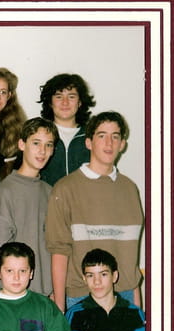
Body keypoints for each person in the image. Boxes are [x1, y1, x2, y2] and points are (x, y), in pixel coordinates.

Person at [45, 111, 144, 313]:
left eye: (115, 136)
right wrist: (59, 308)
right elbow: (59, 252)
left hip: (124, 296)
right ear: (89, 142)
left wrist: (138, 310)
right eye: (102, 135)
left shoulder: (130, 189)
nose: (109, 143)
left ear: (122, 144)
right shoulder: (65, 188)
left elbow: (131, 258)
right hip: (81, 296)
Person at [0, 117, 59, 295]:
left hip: (45, 295)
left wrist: (54, 292)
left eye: (48, 145)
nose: (42, 151)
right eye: (36, 143)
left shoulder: (50, 192)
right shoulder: (5, 192)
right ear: (22, 144)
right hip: (14, 297)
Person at [37, 73, 96, 186]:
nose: (65, 102)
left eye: (71, 96)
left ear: (80, 102)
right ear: (50, 102)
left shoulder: (93, 136)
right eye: (59, 96)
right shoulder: (37, 135)